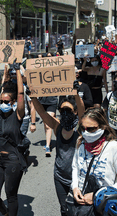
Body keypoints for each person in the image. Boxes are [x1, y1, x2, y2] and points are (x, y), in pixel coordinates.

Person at [32, 88, 85, 216]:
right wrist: (33, 97)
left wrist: (76, 93)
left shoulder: (80, 128)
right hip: (60, 176)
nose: (65, 113)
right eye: (62, 110)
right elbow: (43, 113)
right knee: (64, 209)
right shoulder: (57, 126)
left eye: (69, 110)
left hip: (77, 178)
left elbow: (82, 111)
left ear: (75, 112)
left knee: (79, 209)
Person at [0, 59, 26, 216]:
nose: (2, 103)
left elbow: (21, 93)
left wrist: (17, 71)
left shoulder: (18, 114)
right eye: (1, 101)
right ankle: (5, 213)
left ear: (13, 102)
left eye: (6, 101)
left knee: (11, 195)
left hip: (12, 160)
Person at [71, 108, 117, 207]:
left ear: (102, 127)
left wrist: (98, 196)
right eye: (82, 128)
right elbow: (75, 167)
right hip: (81, 204)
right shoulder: (80, 142)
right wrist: (75, 187)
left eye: (91, 129)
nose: (86, 133)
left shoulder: (114, 147)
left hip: (104, 205)